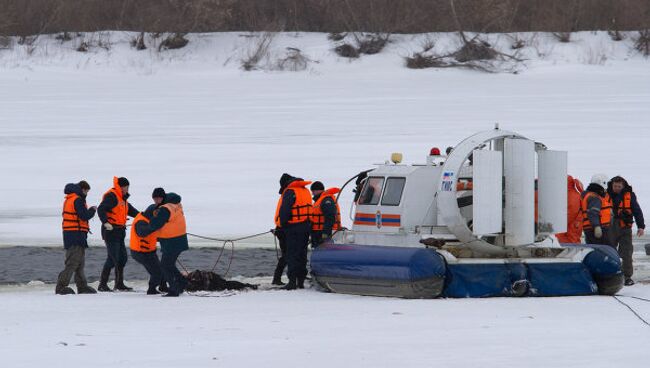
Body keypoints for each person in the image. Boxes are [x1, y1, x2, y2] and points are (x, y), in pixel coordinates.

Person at [139, 192, 188, 297]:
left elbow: (155, 224)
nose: (156, 202)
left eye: (158, 199)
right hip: (179, 239)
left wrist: (146, 226)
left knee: (165, 266)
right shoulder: (176, 205)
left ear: (163, 198)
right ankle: (182, 282)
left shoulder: (165, 209)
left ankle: (174, 289)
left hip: (172, 241)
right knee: (169, 264)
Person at [97, 176, 139, 292]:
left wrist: (144, 217)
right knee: (112, 258)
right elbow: (101, 209)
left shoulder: (122, 199)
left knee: (122, 258)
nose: (127, 189)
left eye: (128, 187)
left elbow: (132, 211)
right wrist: (105, 222)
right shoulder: (112, 196)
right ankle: (102, 284)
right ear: (121, 187)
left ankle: (119, 284)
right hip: (110, 231)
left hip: (120, 231)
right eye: (126, 187)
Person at [56, 181, 97, 295]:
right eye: (86, 191)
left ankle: (82, 286)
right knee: (72, 263)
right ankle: (61, 286)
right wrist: (92, 210)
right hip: (75, 234)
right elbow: (84, 216)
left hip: (75, 234)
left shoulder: (71, 198)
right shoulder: (77, 200)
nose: (87, 194)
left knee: (79, 263)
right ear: (82, 189)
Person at [274, 173, 312, 290]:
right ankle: (300, 281)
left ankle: (291, 282)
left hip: (292, 228)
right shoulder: (305, 190)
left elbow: (285, 211)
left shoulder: (290, 191)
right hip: (305, 226)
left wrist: (283, 225)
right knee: (302, 254)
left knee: (291, 255)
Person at [607, 176, 645, 286]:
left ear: (623, 186)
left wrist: (641, 226)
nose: (617, 188)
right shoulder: (605, 194)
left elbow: (637, 210)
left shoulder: (630, 195)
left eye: (619, 186)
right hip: (609, 227)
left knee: (627, 252)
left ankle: (627, 276)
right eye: (615, 186)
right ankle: (610, 274)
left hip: (625, 228)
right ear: (612, 185)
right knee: (609, 251)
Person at [129, 207, 164, 295]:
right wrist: (155, 226)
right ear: (151, 213)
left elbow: (153, 235)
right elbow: (142, 233)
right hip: (140, 252)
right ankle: (151, 290)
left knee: (162, 270)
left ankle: (163, 287)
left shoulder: (150, 220)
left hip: (149, 251)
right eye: (156, 214)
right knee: (157, 273)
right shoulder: (141, 221)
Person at [581, 174, 612, 246]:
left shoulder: (587, 195)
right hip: (596, 230)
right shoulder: (594, 197)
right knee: (605, 250)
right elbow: (593, 212)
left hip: (589, 229)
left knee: (593, 248)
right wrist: (596, 227)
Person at [310, 181, 341, 248]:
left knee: (323, 251)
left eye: (313, 191)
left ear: (318, 190)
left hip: (324, 232)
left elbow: (330, 217)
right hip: (318, 232)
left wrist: (325, 233)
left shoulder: (326, 200)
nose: (312, 193)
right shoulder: (320, 200)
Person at [556, 175, 584, 244]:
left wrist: (560, 223)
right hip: (572, 223)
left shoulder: (572, 195)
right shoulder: (569, 193)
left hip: (573, 224)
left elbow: (572, 212)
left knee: (572, 242)